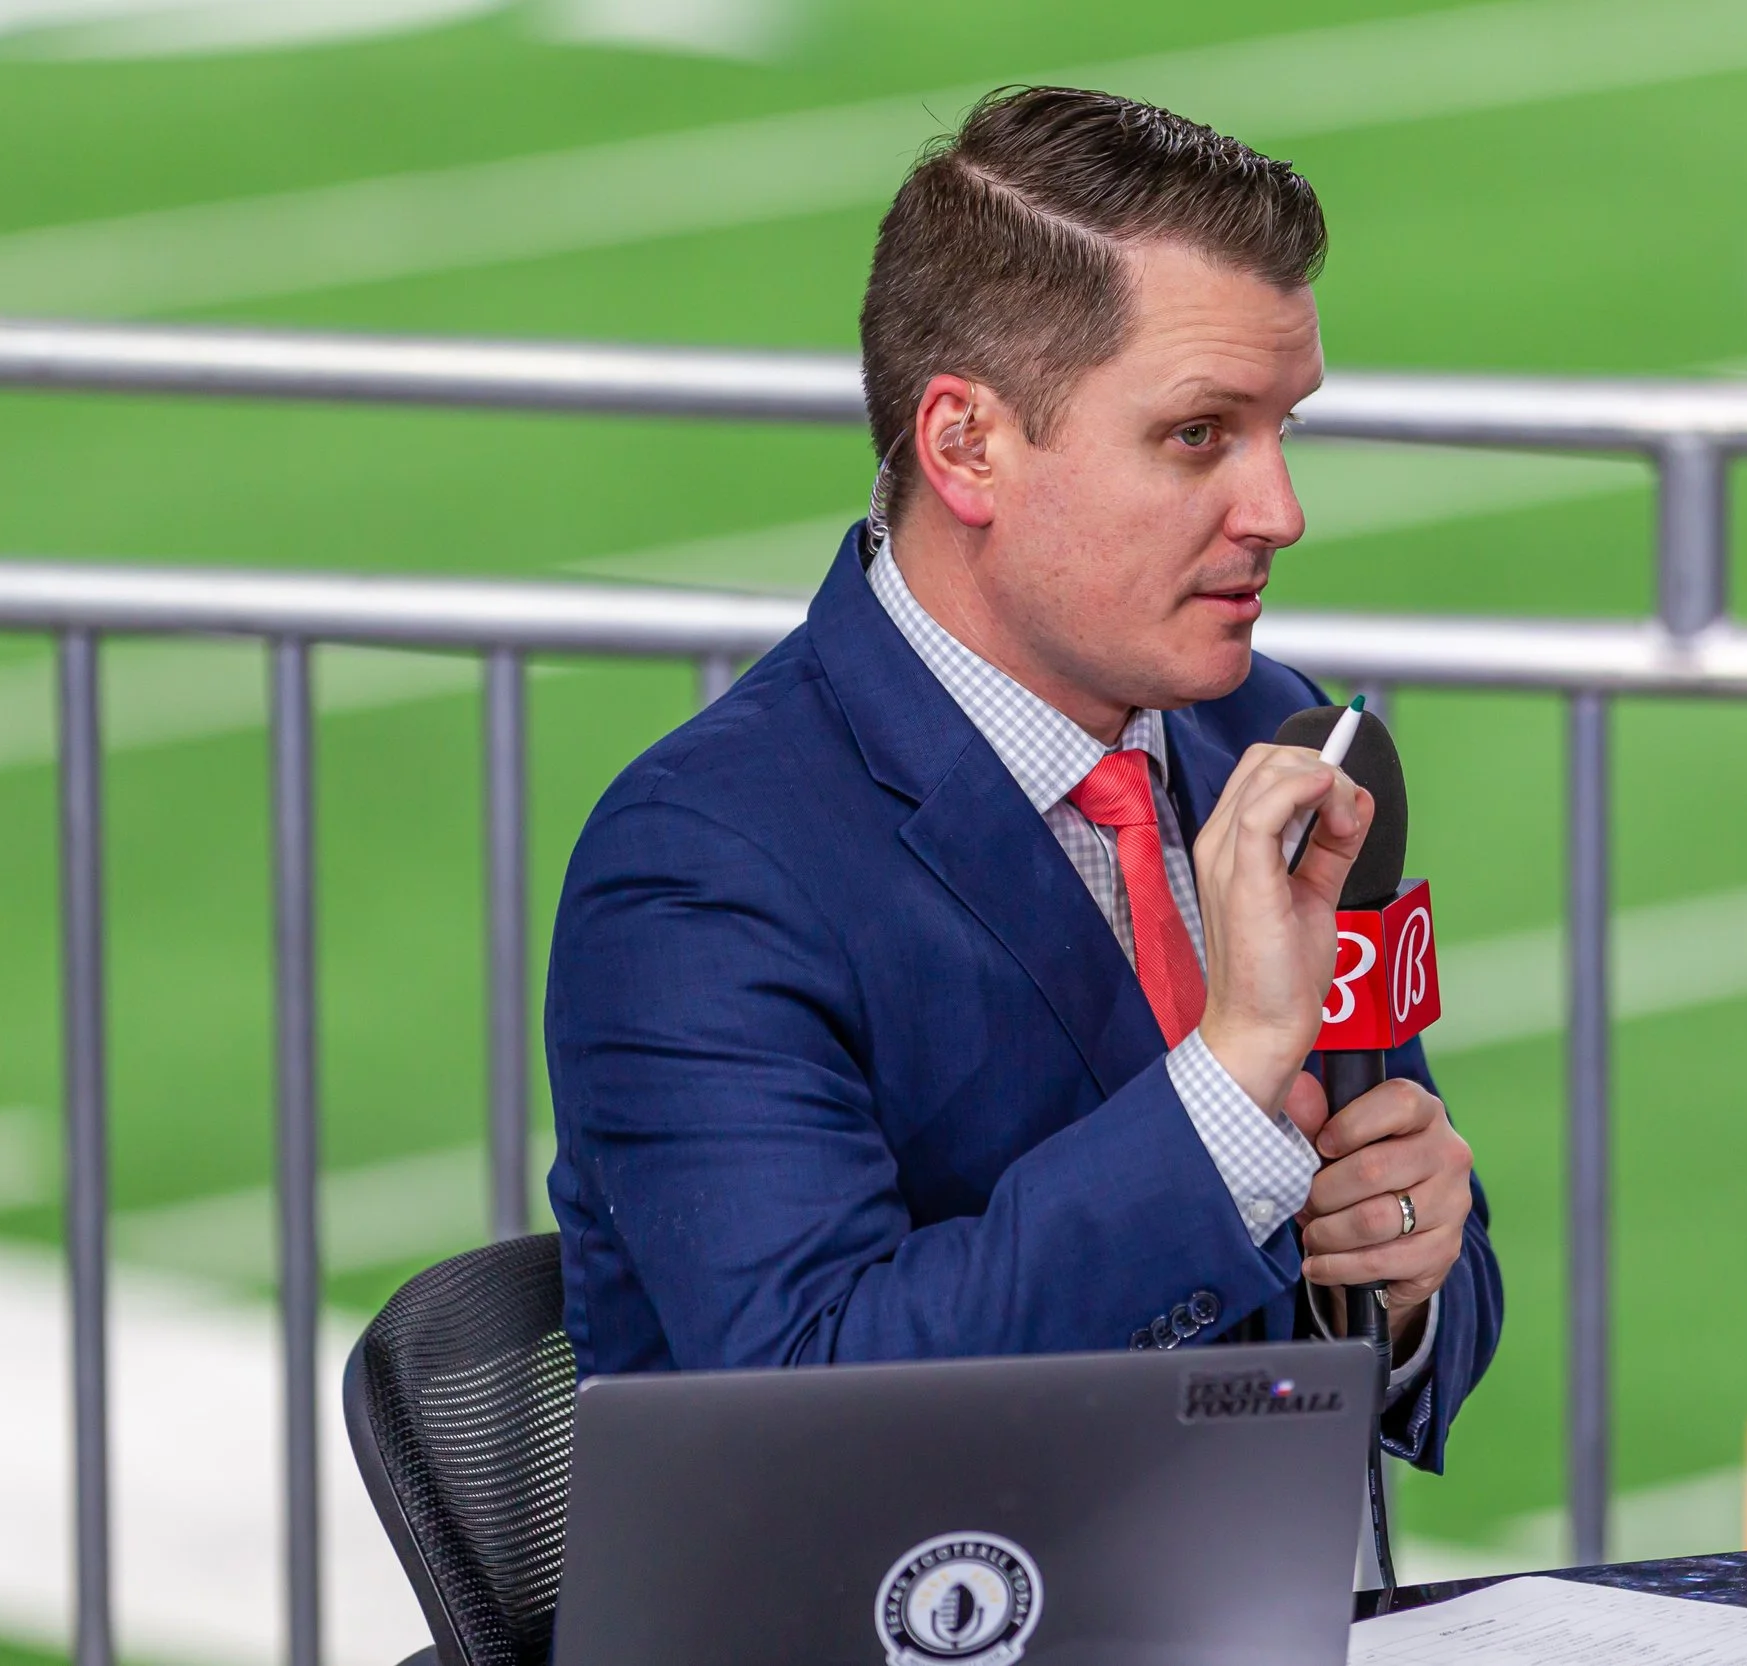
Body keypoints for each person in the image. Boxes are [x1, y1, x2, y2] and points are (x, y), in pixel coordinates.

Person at [546, 86, 1502, 1471]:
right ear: (965, 445)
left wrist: (1411, 1273)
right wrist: (1226, 1093)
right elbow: (814, 1406)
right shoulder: (703, 866)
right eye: (1199, 435)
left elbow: (1403, 1299)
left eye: (1286, 426)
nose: (1280, 510)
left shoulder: (1278, 734)